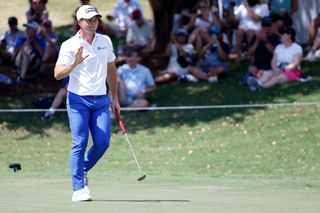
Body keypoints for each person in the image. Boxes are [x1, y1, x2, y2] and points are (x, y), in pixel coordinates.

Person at [54, 4, 120, 202]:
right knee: (80, 142)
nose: (93, 23)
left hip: (100, 99)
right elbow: (57, 74)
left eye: (95, 19)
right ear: (79, 22)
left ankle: (81, 169)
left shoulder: (105, 41)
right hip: (78, 100)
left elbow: (111, 71)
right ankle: (78, 189)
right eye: (88, 20)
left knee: (102, 143)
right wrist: (75, 63)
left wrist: (115, 98)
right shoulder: (69, 45)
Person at [239, 16, 281, 86]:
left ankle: (254, 80)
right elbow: (250, 53)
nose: (265, 28)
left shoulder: (276, 38)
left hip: (269, 64)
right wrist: (257, 41)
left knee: (262, 73)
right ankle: (250, 78)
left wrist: (265, 41)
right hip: (257, 64)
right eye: (264, 25)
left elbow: (275, 52)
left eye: (268, 25)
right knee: (252, 69)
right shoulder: (256, 37)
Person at [14, 20, 46, 85]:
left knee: (28, 50)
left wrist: (34, 42)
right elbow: (14, 54)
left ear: (34, 30)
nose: (26, 30)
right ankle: (22, 77)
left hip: (34, 63)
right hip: (19, 62)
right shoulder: (22, 39)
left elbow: (42, 54)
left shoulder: (39, 40)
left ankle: (22, 77)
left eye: (29, 28)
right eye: (27, 28)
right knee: (26, 49)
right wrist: (26, 43)